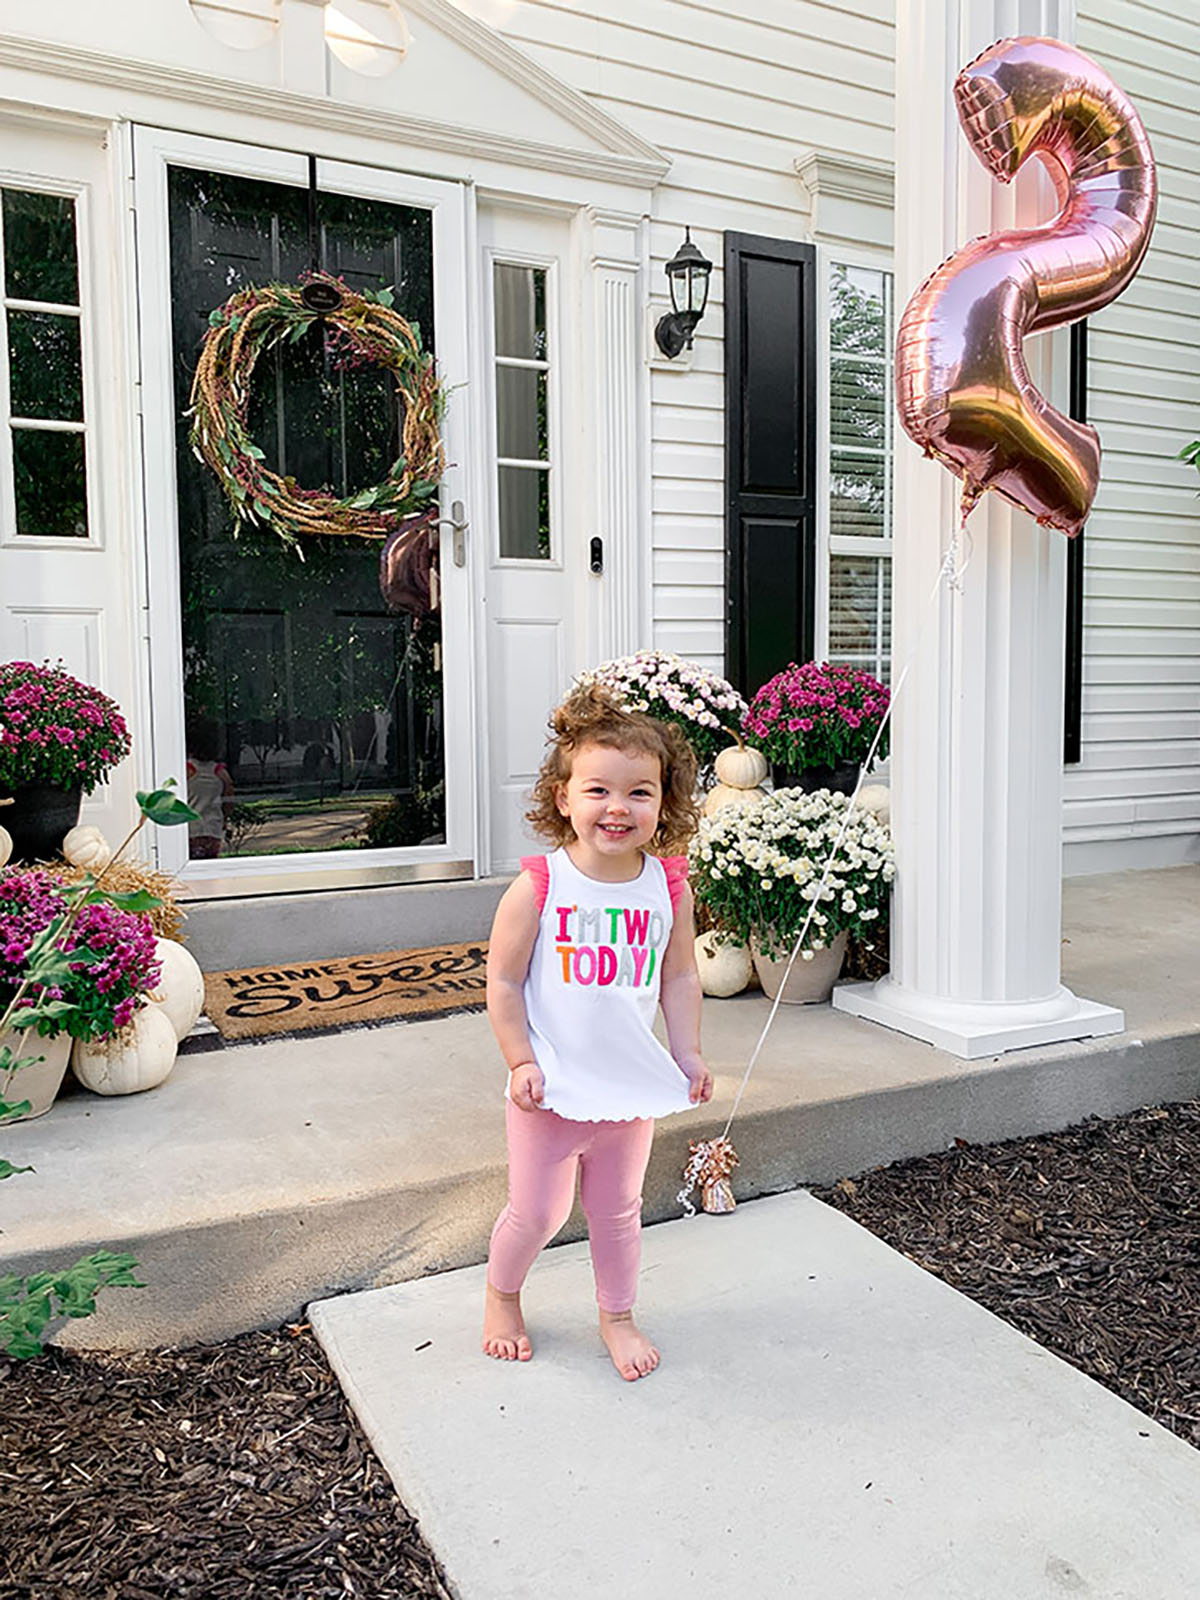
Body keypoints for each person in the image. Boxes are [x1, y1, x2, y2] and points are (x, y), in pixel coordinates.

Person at [483, 684, 713, 1382]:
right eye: (598, 791)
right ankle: (501, 1296)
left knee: (618, 1214)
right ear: (562, 799)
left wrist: (687, 1051)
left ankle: (617, 1316)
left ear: (664, 805)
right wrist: (520, 1060)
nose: (618, 807)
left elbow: (678, 979)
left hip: (627, 1089)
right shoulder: (541, 885)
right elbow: (502, 983)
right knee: (538, 1212)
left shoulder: (668, 888)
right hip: (548, 1091)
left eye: (640, 792)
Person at [185, 717, 234, 860]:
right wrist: (225, 818)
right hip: (213, 828)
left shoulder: (187, 770)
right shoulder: (219, 772)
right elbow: (229, 798)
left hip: (190, 829)